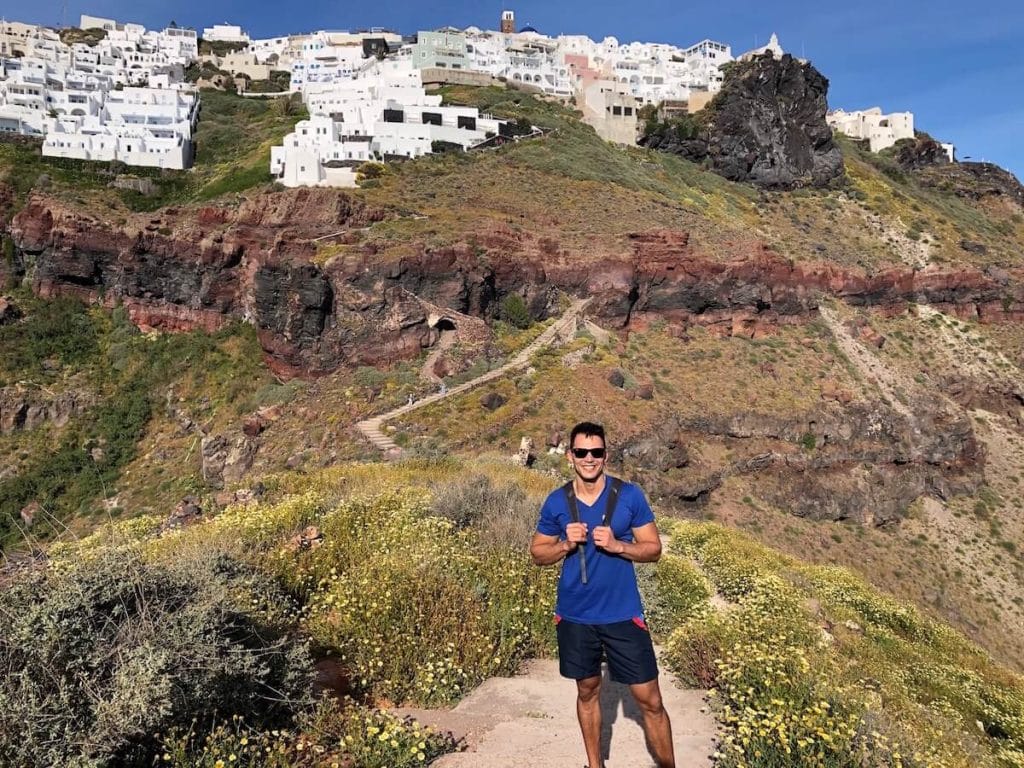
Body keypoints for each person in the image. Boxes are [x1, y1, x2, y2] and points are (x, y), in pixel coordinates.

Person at [530, 421, 674, 768]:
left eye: (596, 452)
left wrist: (619, 545)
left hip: (623, 614)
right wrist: (566, 543)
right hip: (576, 616)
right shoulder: (557, 502)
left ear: (605, 455)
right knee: (587, 690)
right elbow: (538, 554)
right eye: (582, 452)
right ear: (570, 456)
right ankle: (595, 765)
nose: (589, 459)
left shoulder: (629, 496)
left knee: (650, 700)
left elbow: (653, 549)